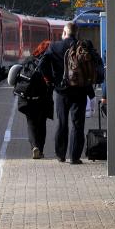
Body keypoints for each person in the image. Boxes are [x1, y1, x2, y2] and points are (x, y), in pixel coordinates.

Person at [40, 22, 101, 164]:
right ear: (76, 33)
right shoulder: (83, 46)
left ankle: (60, 155)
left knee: (62, 123)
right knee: (78, 124)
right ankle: (74, 157)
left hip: (61, 91)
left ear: (64, 33)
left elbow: (42, 64)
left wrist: (51, 80)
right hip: (80, 90)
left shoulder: (54, 47)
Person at [25, 40, 53, 159]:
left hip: (28, 97)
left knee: (31, 123)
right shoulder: (49, 61)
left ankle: (34, 146)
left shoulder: (30, 59)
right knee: (41, 124)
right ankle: (40, 150)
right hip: (43, 98)